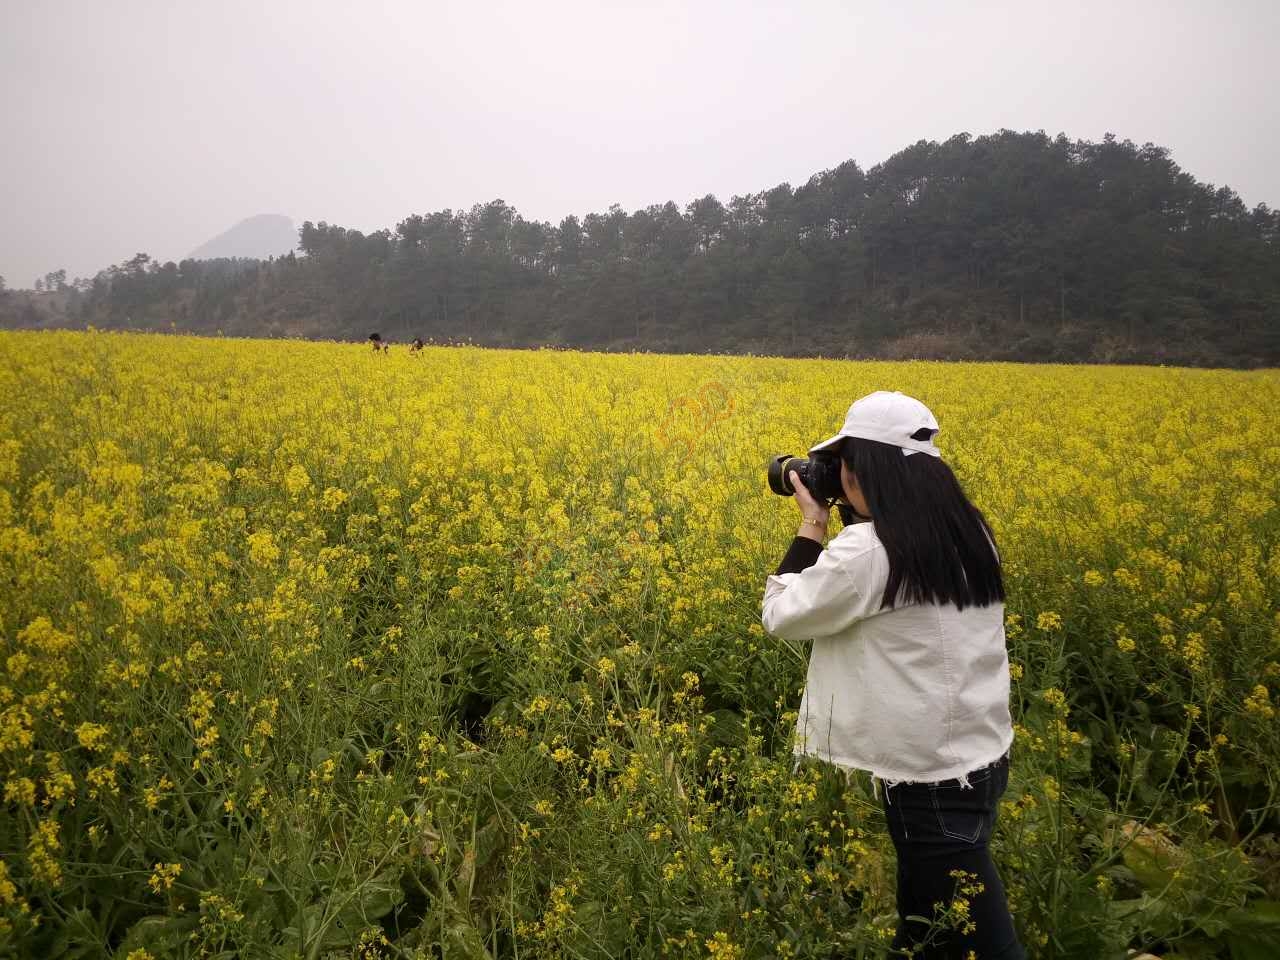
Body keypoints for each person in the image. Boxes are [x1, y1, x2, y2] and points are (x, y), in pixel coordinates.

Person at [761, 390, 1025, 960]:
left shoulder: (871, 552)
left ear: (867, 471)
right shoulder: (970, 531)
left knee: (980, 940)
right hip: (979, 758)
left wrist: (812, 524)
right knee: (928, 925)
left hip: (927, 778)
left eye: (844, 463)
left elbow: (781, 613)